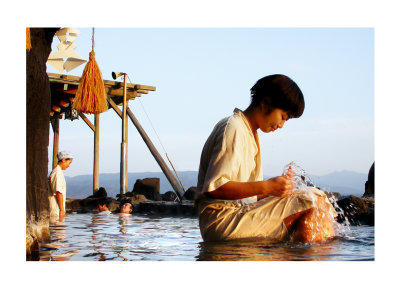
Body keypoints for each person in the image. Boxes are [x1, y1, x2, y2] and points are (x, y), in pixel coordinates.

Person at [196, 74, 338, 243]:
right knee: (310, 199)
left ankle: (299, 254)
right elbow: (215, 188)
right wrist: (268, 186)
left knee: (316, 197)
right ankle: (302, 256)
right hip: (221, 221)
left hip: (237, 214)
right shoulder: (233, 128)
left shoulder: (250, 134)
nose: (281, 125)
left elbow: (247, 196)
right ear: (265, 103)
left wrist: (280, 189)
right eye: (283, 117)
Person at [49, 151, 73, 222]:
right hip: (56, 210)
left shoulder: (58, 172)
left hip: (57, 209)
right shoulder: (57, 173)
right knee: (58, 231)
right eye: (69, 162)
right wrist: (62, 210)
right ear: (63, 160)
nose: (69, 165)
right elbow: (58, 192)